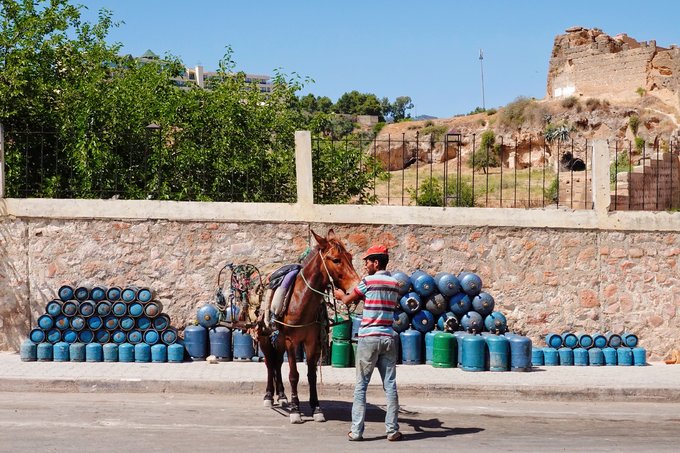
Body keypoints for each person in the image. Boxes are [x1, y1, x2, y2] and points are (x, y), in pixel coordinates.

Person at [333, 244, 402, 442]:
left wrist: (339, 294)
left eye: (368, 262)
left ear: (376, 262)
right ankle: (392, 430)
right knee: (390, 385)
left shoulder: (368, 281)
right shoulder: (395, 283)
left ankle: (356, 431)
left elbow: (348, 300)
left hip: (368, 339)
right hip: (388, 338)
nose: (365, 266)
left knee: (361, 386)